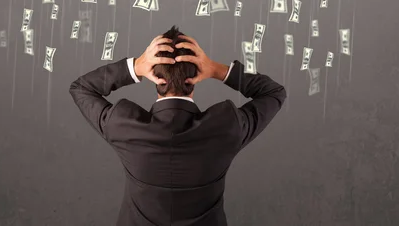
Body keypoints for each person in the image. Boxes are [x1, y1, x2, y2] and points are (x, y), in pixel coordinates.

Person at [69, 25, 287, 226]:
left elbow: (81, 88)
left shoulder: (123, 126)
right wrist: (215, 69)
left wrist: (135, 67)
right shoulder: (228, 127)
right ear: (194, 77)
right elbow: (273, 92)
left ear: (155, 76)